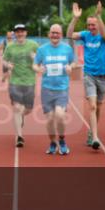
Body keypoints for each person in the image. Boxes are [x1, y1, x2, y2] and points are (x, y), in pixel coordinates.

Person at [67, 2, 105, 150]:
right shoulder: (85, 36)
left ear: (98, 24)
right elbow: (69, 35)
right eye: (89, 25)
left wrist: (99, 16)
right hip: (89, 75)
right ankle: (95, 137)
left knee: (98, 107)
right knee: (92, 106)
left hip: (103, 77)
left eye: (93, 25)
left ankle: (91, 132)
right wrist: (75, 18)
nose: (91, 28)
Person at [34, 24, 76, 155]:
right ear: (49, 34)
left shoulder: (67, 49)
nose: (55, 35)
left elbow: (74, 62)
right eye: (53, 32)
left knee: (60, 115)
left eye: (57, 33)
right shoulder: (42, 50)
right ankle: (52, 142)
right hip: (47, 89)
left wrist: (71, 67)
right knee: (50, 119)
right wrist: (38, 69)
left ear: (61, 35)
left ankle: (62, 140)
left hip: (62, 88)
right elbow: (35, 64)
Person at [2, 24, 38, 148]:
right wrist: (8, 65)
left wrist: (35, 58)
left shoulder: (33, 45)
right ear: (15, 33)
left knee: (27, 109)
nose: (20, 33)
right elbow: (4, 60)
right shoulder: (10, 47)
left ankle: (22, 116)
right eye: (17, 32)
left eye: (22, 31)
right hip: (15, 81)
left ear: (26, 33)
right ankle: (19, 137)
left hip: (30, 82)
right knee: (17, 108)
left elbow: (41, 60)